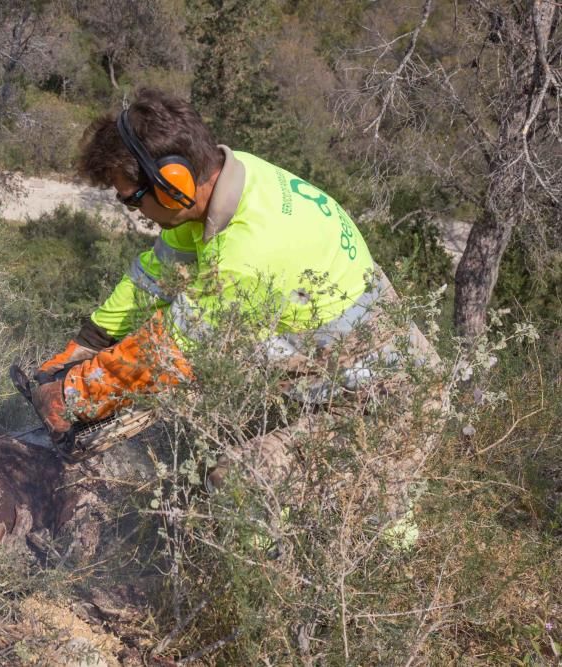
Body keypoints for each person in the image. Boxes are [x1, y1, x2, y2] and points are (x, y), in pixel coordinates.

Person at [29, 89, 438, 508]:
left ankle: (315, 565)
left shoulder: (250, 251)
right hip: (331, 376)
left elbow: (170, 352)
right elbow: (154, 276)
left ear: (173, 183)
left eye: (132, 197)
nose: (132, 210)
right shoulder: (231, 180)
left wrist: (73, 396)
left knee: (238, 486)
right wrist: (88, 344)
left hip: (391, 407)